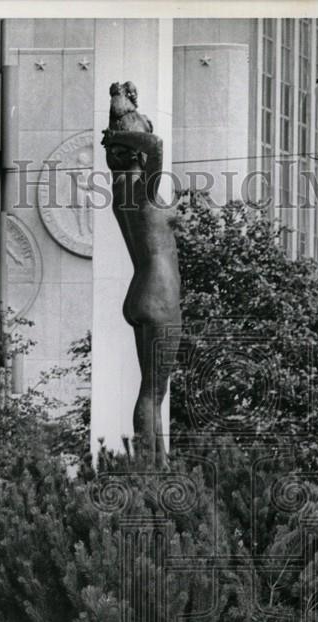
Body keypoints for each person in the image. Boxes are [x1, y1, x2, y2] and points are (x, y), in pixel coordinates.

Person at [102, 85, 181, 469]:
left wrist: (118, 134)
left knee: (152, 390)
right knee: (153, 391)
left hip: (140, 291)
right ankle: (150, 469)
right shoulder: (143, 186)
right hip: (159, 293)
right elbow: (156, 145)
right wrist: (125, 133)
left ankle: (158, 462)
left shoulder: (120, 189)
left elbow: (148, 143)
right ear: (135, 152)